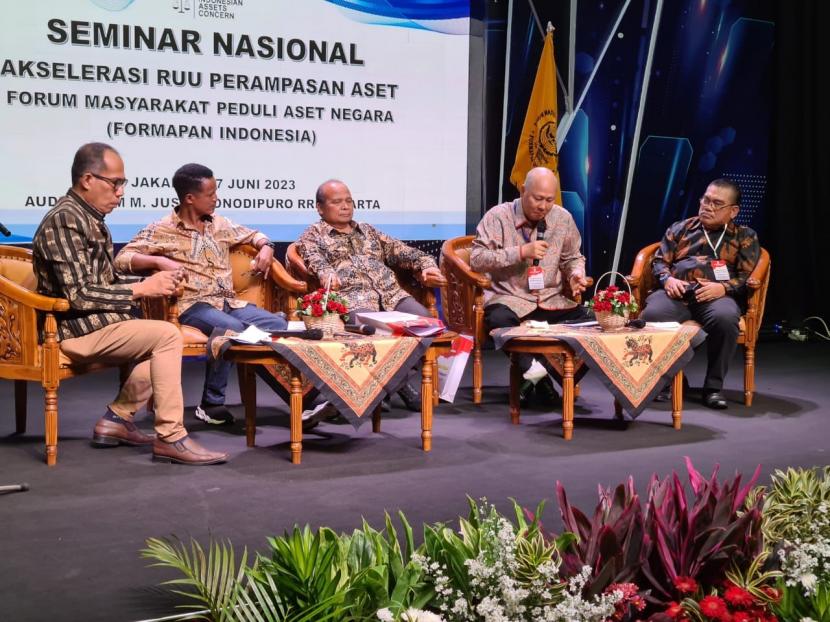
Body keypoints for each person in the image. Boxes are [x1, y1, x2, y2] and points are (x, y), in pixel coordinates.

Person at [32, 143, 228, 465]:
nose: (121, 192)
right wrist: (141, 289)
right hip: (73, 330)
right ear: (87, 180)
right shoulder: (65, 220)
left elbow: (105, 282)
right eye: (115, 183)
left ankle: (117, 420)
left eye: (123, 183)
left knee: (166, 336)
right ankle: (171, 437)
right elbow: (78, 295)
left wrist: (153, 285)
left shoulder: (91, 219)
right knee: (167, 335)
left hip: (101, 323)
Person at [114, 163, 287, 425]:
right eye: (210, 194)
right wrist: (159, 262)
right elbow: (121, 258)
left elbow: (254, 235)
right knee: (234, 331)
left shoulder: (221, 223)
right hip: (192, 306)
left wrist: (266, 246)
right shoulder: (161, 229)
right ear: (190, 198)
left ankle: (306, 403)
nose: (216, 198)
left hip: (229, 302)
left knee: (280, 327)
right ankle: (211, 404)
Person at [296, 179, 446, 411]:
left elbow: (404, 251)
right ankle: (398, 387)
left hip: (392, 296)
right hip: (356, 301)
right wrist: (326, 274)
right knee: (373, 337)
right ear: (320, 207)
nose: (345, 206)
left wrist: (426, 265)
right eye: (337, 202)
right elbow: (314, 261)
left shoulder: (368, 230)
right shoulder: (313, 235)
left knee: (429, 326)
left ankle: (388, 387)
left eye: (348, 200)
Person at [470, 167, 590, 405]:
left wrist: (576, 274)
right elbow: (477, 258)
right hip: (509, 299)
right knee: (499, 321)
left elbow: (572, 257)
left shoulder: (562, 218)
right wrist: (520, 252)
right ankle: (541, 379)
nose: (543, 206)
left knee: (594, 321)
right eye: (537, 198)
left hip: (551, 299)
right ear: (523, 190)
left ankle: (545, 378)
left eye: (549, 200)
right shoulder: (498, 217)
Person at [641, 178, 760, 409]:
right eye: (706, 200)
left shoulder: (744, 236)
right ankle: (668, 379)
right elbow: (658, 262)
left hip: (716, 297)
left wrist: (723, 287)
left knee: (725, 319)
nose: (708, 206)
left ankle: (713, 388)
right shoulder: (680, 228)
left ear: (733, 211)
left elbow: (748, 277)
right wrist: (668, 279)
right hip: (676, 295)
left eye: (717, 203)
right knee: (652, 315)